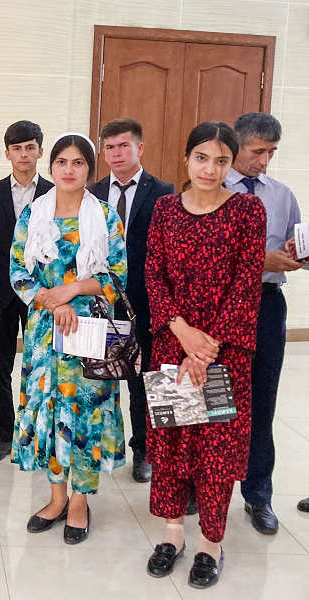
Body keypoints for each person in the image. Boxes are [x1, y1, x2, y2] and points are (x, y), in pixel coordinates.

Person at [145, 122, 265, 588]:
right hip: (171, 344)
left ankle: (210, 543)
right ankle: (173, 534)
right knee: (172, 442)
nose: (210, 169)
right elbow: (153, 274)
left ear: (231, 164)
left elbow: (246, 283)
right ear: (187, 158)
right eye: (201, 158)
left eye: (221, 161)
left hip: (224, 353)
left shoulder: (248, 210)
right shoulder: (164, 208)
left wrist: (205, 348)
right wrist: (182, 332)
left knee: (216, 448)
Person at [10, 133, 127, 545]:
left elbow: (117, 275)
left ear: (89, 170)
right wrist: (50, 299)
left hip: (89, 331)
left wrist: (71, 291)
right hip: (45, 332)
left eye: (78, 163)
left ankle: (80, 502)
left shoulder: (106, 216)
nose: (69, 169)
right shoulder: (33, 214)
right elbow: (18, 272)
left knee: (86, 415)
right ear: (51, 166)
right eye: (62, 162)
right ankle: (56, 497)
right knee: (49, 411)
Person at [227, 112, 308, 535]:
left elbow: (299, 253)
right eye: (258, 151)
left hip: (266, 306)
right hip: (219, 307)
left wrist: (298, 253)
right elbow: (204, 259)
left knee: (261, 403)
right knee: (212, 400)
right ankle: (201, 487)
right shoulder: (211, 190)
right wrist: (261, 260)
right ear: (236, 146)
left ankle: (258, 495)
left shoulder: (281, 195)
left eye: (271, 153)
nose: (264, 161)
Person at [90, 118, 175, 483]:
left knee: (145, 379)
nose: (116, 154)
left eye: (123, 146)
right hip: (102, 302)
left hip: (147, 301)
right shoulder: (92, 193)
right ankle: (100, 446)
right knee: (102, 375)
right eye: (109, 147)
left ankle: (145, 451)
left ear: (139, 148)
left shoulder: (164, 192)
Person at [0, 120, 54, 464]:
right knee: (1, 368)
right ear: (7, 153)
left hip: (43, 295)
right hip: (1, 295)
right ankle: (3, 437)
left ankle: (36, 434)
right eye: (16, 148)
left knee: (41, 368)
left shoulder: (54, 192)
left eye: (29, 147)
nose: (23, 154)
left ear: (40, 151)